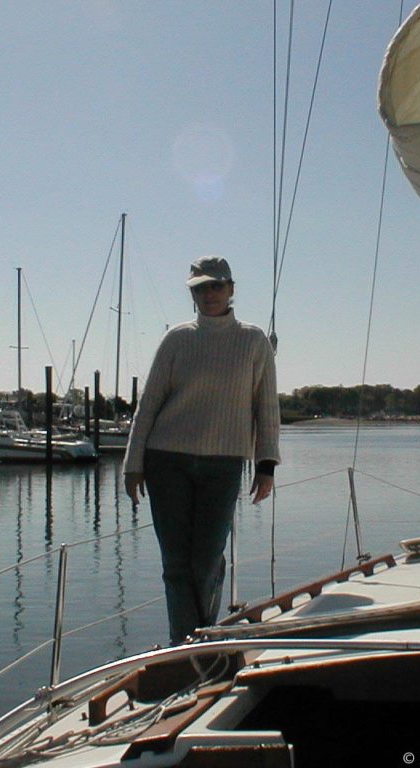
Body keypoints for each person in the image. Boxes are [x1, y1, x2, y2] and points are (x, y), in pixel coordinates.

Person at [123, 255, 281, 643]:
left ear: (231, 290)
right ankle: (187, 644)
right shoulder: (177, 338)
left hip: (224, 464)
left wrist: (267, 465)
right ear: (192, 293)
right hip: (167, 461)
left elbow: (266, 405)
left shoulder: (254, 340)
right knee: (176, 564)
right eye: (200, 288)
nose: (209, 294)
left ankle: (199, 637)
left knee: (207, 560)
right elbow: (150, 403)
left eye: (216, 286)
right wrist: (133, 462)